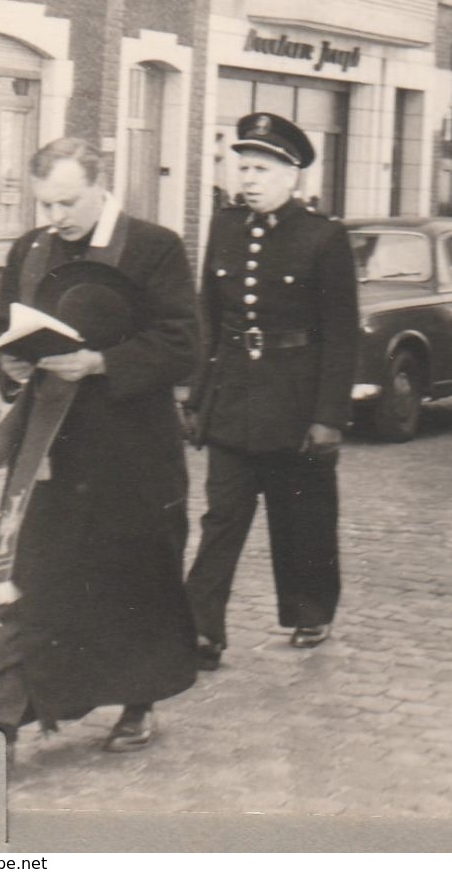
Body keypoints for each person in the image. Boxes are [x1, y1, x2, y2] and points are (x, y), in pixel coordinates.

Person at [0, 138, 198, 752]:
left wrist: (99, 361)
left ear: (101, 185)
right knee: (28, 577)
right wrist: (6, 365)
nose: (56, 217)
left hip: (132, 450)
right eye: (46, 204)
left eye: (68, 202)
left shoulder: (154, 247)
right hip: (51, 451)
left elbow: (182, 344)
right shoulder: (31, 249)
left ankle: (136, 702)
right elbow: (1, 324)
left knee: (134, 578)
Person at [184, 113, 359, 668]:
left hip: (296, 403)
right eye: (243, 167)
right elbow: (208, 319)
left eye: (261, 169)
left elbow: (341, 332)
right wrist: (197, 398)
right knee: (221, 519)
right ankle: (201, 630)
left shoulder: (324, 237)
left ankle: (310, 610)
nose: (249, 179)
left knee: (301, 517)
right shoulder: (225, 226)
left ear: (292, 174)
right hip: (234, 399)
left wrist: (328, 416)